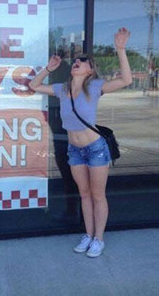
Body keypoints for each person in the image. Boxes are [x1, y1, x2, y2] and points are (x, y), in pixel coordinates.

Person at [29, 27, 132, 257]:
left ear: (90, 70)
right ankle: (88, 235)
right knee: (84, 194)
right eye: (76, 60)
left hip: (96, 149)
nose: (77, 61)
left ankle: (99, 239)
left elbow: (126, 79)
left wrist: (120, 49)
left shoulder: (95, 87)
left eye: (83, 60)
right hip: (74, 149)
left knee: (97, 195)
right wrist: (48, 68)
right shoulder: (62, 89)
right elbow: (33, 86)